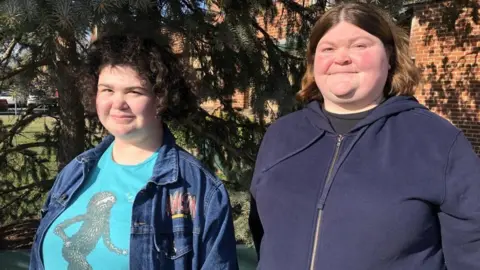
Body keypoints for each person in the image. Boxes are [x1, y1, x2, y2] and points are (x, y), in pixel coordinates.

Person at [249, 2, 480, 270]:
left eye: (359, 46)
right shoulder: (281, 136)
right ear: (314, 62)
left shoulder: (437, 142)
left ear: (390, 56)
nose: (342, 58)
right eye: (328, 49)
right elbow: (265, 236)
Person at [29, 34, 238, 270]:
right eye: (107, 89)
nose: (118, 103)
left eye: (134, 92)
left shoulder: (200, 191)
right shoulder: (75, 172)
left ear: (161, 98)